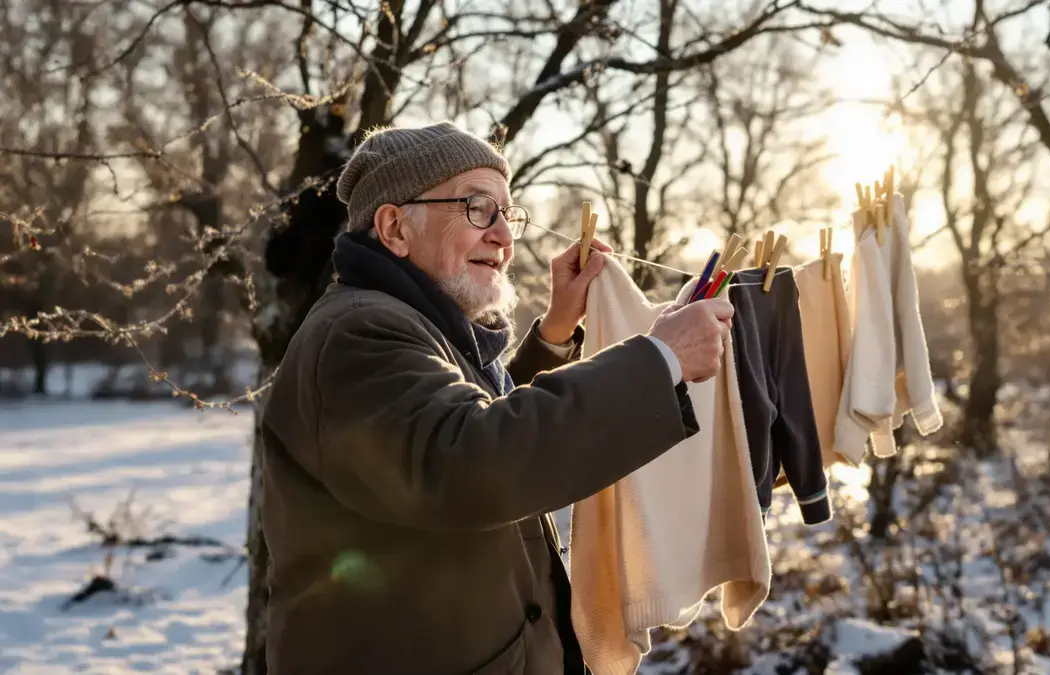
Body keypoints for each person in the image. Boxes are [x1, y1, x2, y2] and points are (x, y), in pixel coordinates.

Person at [259, 121, 734, 675]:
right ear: (394, 228)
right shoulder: (358, 334)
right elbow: (472, 463)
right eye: (478, 208)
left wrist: (556, 333)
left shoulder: (410, 324)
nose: (504, 237)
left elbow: (467, 419)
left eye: (508, 214)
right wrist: (660, 362)